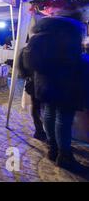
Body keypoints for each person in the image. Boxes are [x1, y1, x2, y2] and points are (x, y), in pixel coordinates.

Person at [23, 10, 87, 173]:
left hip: (43, 83)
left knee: (50, 114)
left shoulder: (39, 34)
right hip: (64, 83)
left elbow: (28, 61)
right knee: (63, 119)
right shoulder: (68, 34)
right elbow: (74, 61)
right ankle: (64, 155)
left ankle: (52, 149)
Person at [18, 47, 47, 141]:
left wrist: (26, 76)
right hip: (39, 82)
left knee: (37, 107)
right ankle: (40, 130)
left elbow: (20, 66)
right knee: (39, 107)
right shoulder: (37, 49)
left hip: (34, 82)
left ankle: (40, 130)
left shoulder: (28, 48)